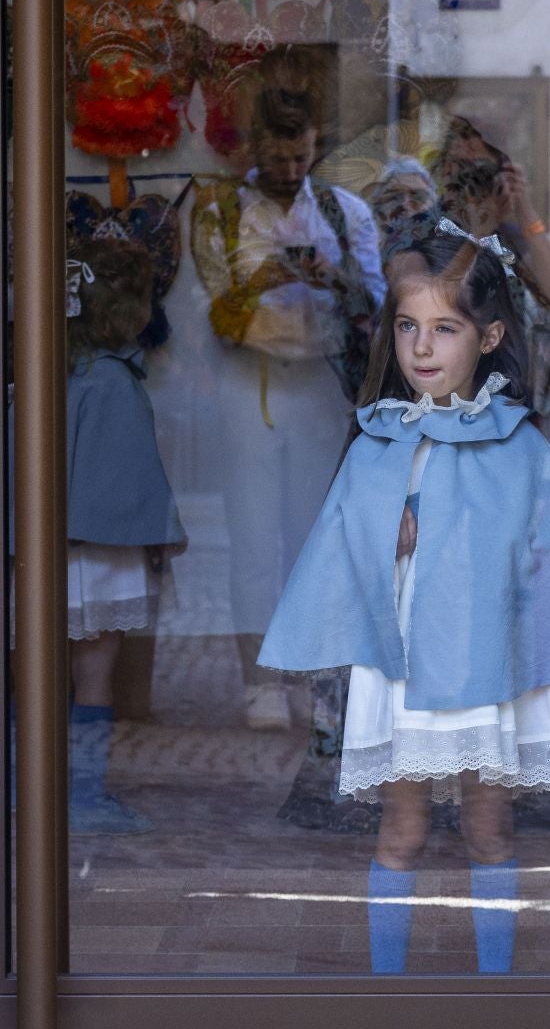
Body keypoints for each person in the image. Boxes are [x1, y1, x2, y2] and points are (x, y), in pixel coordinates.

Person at [257, 224, 550, 973]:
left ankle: (496, 986)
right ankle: (389, 987)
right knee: (401, 832)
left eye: (445, 329)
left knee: (489, 830)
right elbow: (337, 552)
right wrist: (389, 539)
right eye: (409, 327)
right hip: (404, 668)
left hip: (489, 666)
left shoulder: (521, 446)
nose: (422, 348)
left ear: (490, 336)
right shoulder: (377, 442)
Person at [189, 86, 384, 730]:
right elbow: (207, 311)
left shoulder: (342, 209)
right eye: (278, 159)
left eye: (301, 158)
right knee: (251, 538)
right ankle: (259, 681)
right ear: (254, 150)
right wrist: (259, 282)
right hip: (250, 379)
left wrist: (334, 278)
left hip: (320, 384)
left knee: (312, 537)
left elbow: (377, 307)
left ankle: (313, 676)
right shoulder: (222, 212)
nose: (292, 172)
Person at [62, 237, 189, 835]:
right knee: (94, 669)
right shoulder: (112, 383)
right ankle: (82, 796)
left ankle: (22, 785)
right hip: (99, 551)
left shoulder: (50, 370)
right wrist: (162, 537)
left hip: (45, 549)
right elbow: (133, 476)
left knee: (30, 665)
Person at [432, 118, 550, 491]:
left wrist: (526, 211)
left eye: (482, 169)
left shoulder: (518, 233)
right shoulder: (431, 228)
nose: (472, 181)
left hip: (528, 414)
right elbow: (437, 307)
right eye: (460, 168)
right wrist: (478, 233)